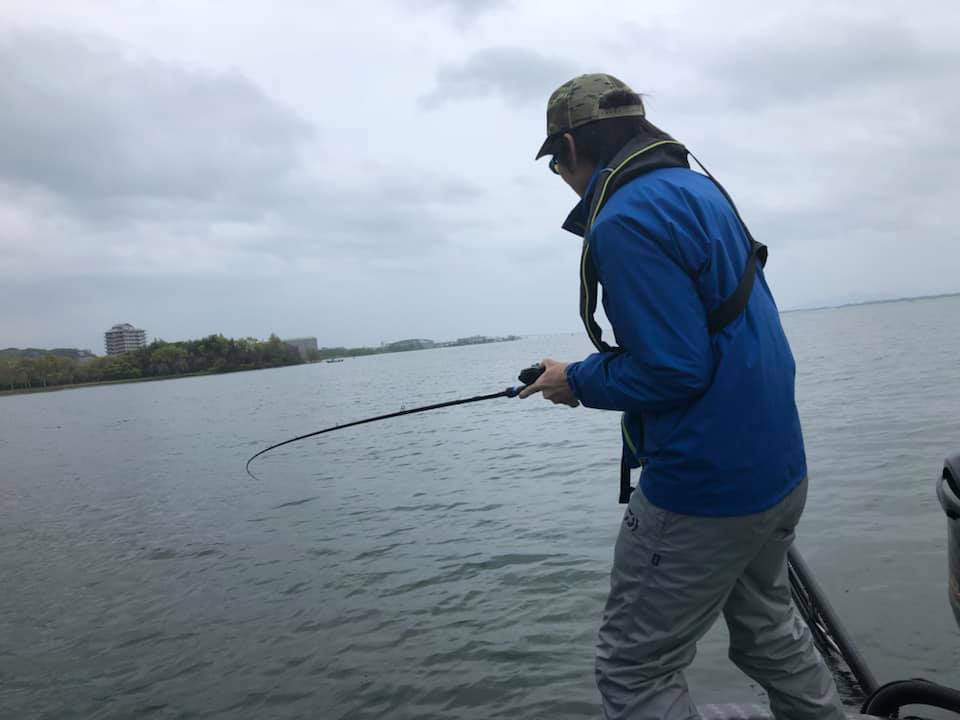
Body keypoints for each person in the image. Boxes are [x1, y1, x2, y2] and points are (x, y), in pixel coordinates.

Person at [519, 73, 846, 720]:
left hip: (704, 484)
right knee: (769, 630)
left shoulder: (625, 220)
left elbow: (673, 371)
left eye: (556, 163)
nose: (561, 176)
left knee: (634, 669)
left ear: (573, 148)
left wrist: (573, 380)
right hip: (779, 468)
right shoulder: (698, 190)